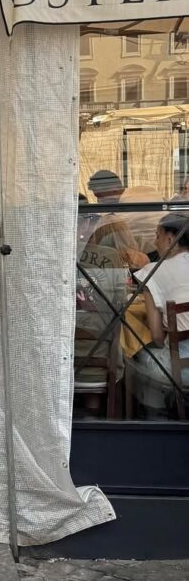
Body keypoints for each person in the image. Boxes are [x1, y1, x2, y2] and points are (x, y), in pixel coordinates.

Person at [127, 214, 189, 409]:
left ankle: (155, 416)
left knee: (134, 356)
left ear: (170, 240)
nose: (155, 242)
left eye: (157, 236)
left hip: (182, 366)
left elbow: (157, 337)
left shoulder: (153, 270)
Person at [79, 170, 149, 270]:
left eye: (100, 196)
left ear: (114, 189)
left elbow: (128, 254)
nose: (99, 201)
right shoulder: (135, 199)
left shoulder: (120, 214)